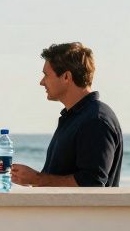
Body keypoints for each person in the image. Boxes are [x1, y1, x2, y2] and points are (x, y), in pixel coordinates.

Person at [12, 42, 123, 188]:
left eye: (46, 74)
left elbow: (92, 183)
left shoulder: (96, 120)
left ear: (66, 77)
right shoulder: (74, 117)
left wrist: (37, 179)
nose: (41, 82)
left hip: (83, 212)